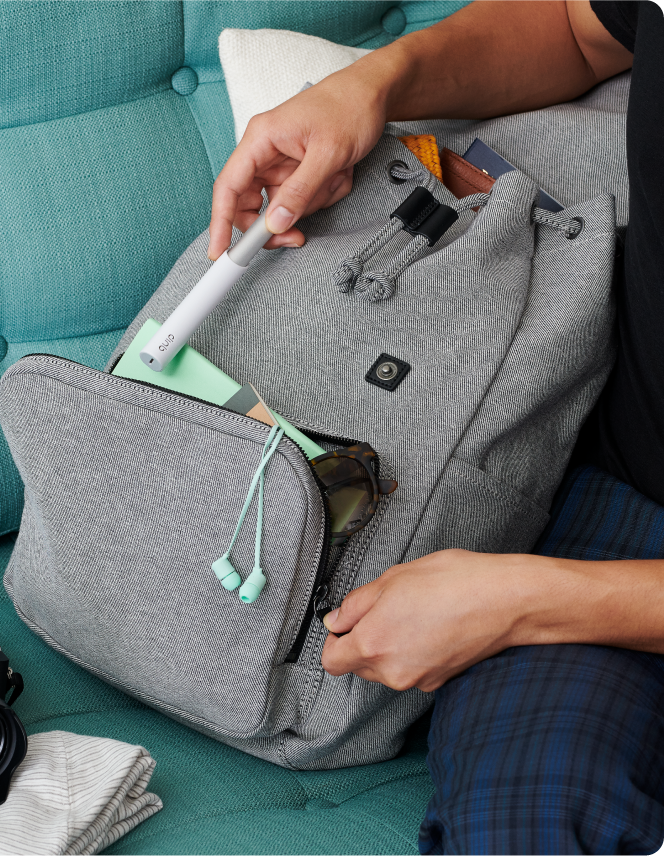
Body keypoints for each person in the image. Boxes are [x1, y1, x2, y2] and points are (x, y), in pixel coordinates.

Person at [209, 0, 664, 852]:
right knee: (524, 822)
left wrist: (528, 603)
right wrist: (376, 81)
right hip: (625, 495)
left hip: (586, 588)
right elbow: (574, 29)